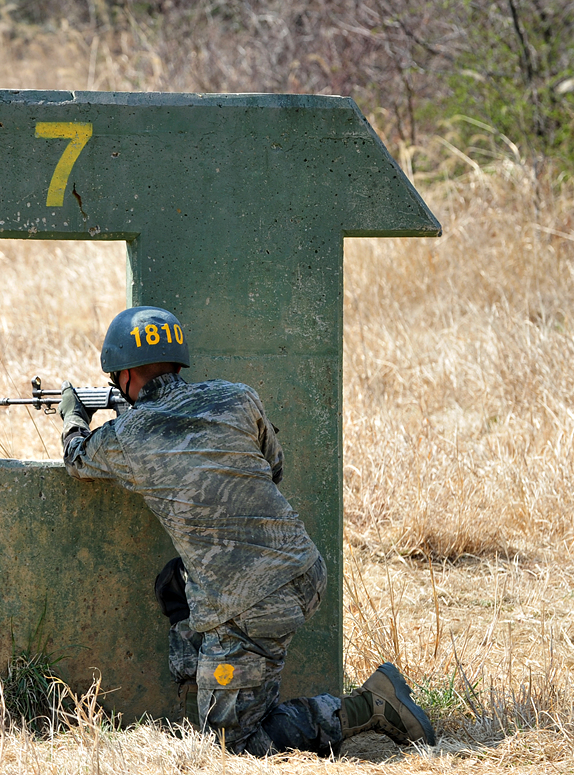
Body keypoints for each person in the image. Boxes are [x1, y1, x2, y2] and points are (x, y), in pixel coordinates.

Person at [58, 305, 437, 755]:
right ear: (178, 362)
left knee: (231, 743)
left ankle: (371, 705)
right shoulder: (237, 397)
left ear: (124, 376)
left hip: (251, 605)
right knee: (180, 590)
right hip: (303, 572)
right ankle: (225, 674)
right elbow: (273, 466)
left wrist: (73, 415)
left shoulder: (128, 434)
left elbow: (77, 459)